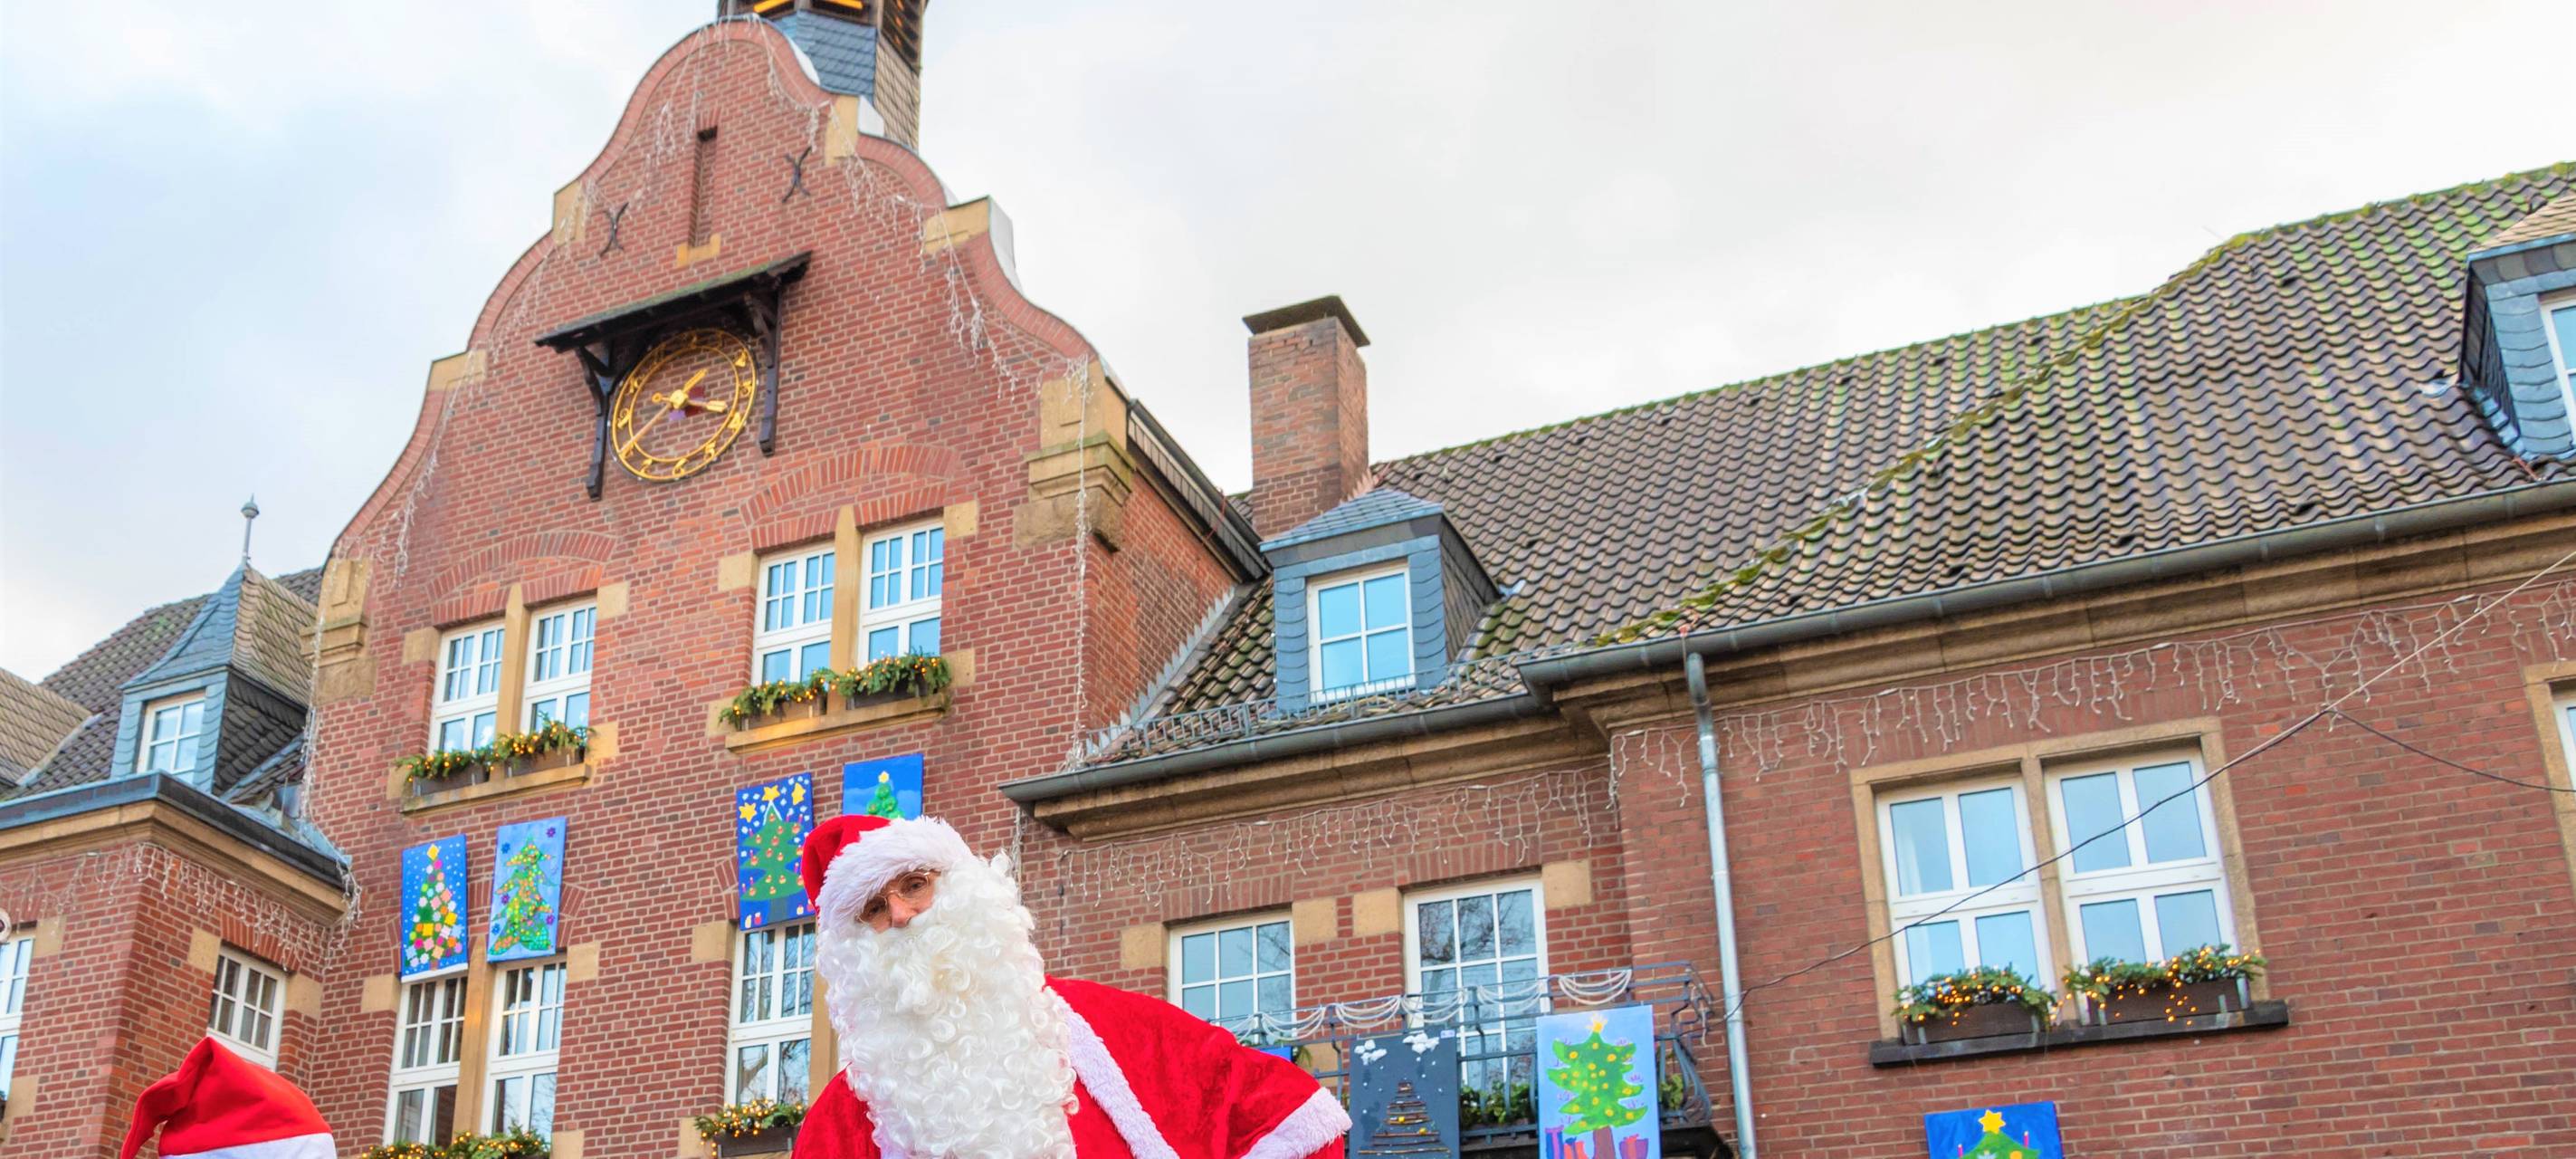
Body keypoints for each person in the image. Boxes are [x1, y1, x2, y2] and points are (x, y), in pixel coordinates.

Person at [794, 813, 1350, 1159]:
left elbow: (1291, 1117)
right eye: (873, 908)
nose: (902, 914)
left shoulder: (1117, 1029)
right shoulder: (845, 1121)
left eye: (916, 885)